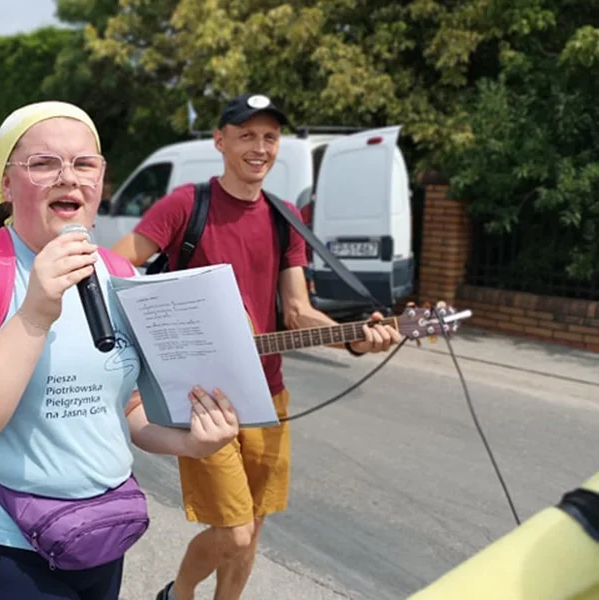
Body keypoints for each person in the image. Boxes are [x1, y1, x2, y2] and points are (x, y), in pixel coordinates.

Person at [0, 100, 242, 599]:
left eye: (85, 164)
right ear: (6, 184)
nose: (69, 178)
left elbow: (126, 407)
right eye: (44, 164)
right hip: (3, 541)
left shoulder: (122, 273)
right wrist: (34, 314)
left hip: (100, 531)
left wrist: (191, 444)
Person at [111, 93, 403, 600]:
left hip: (268, 396)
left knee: (254, 529)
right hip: (203, 401)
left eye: (269, 137)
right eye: (246, 135)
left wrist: (355, 337)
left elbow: (297, 311)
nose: (259, 147)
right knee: (234, 530)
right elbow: (117, 267)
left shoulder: (284, 215)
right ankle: (177, 596)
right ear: (220, 141)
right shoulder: (187, 203)